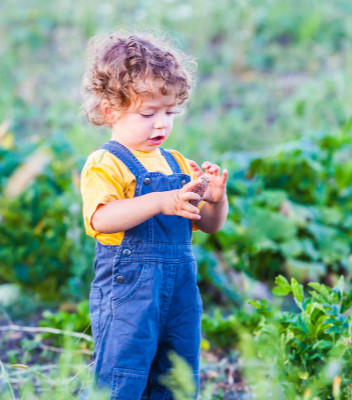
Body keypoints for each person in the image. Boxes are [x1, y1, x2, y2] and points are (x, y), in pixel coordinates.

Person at [79, 32, 228, 400]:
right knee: (121, 372)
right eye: (148, 113)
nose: (161, 124)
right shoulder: (107, 162)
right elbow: (102, 219)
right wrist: (161, 202)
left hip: (179, 291)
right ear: (110, 110)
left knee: (176, 373)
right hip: (129, 290)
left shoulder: (176, 163)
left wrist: (215, 200)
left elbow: (208, 226)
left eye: (169, 112)